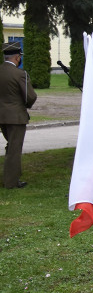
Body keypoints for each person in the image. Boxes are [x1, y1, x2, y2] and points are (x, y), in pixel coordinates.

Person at [0, 42, 38, 189]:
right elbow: (30, 96)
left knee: (11, 146)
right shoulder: (20, 74)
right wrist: (25, 106)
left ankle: (12, 175)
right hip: (15, 117)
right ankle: (11, 182)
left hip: (2, 115)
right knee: (14, 149)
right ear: (17, 57)